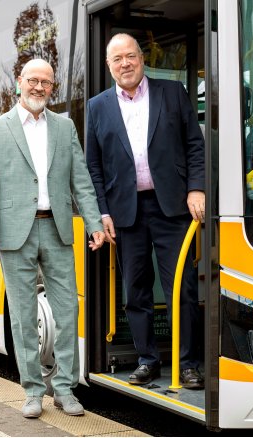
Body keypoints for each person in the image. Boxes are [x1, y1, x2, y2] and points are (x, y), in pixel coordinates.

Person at [0, 59, 106, 418]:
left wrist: (93, 222)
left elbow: (81, 180)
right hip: (15, 232)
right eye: (32, 80)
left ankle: (64, 389)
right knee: (22, 314)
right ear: (19, 83)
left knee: (68, 309)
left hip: (58, 228)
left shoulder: (64, 127)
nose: (39, 87)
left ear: (52, 88)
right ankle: (33, 390)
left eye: (46, 82)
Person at [85, 33, 206, 389]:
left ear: (142, 58)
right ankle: (147, 360)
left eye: (131, 56)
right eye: (117, 59)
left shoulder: (172, 93)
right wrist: (102, 212)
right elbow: (94, 167)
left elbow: (195, 146)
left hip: (173, 207)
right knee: (135, 291)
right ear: (109, 66)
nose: (125, 63)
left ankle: (187, 363)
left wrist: (196, 188)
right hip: (126, 212)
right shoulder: (97, 106)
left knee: (181, 289)